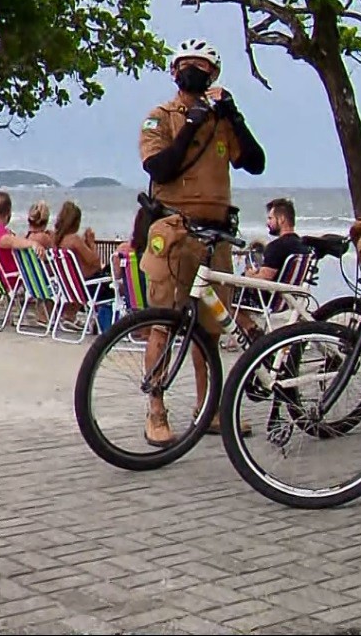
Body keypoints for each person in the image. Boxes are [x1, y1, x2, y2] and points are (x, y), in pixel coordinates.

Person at [137, 37, 265, 445]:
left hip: (216, 238)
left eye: (203, 66)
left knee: (210, 329)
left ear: (213, 74)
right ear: (175, 73)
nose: (194, 71)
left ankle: (208, 407)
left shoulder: (221, 122)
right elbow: (159, 166)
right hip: (173, 231)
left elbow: (255, 163)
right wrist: (190, 123)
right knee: (162, 323)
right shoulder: (162, 116)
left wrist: (235, 117)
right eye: (186, 65)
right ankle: (156, 410)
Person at [233, 197, 312, 338]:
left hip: (269, 298)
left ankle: (252, 330)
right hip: (287, 299)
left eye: (270, 218)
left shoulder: (277, 247)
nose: (267, 223)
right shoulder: (302, 246)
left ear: (281, 219)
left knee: (225, 296)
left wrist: (249, 274)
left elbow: (264, 279)